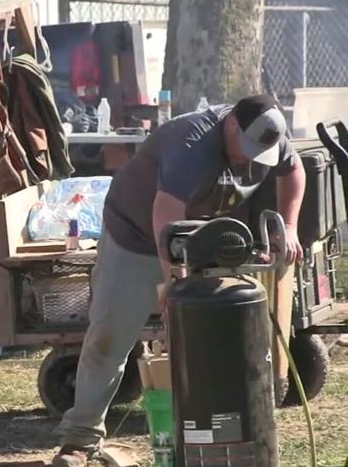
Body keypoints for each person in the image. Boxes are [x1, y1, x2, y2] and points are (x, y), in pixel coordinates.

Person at [50, 94, 306, 466]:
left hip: (205, 236)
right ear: (231, 123)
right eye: (246, 148)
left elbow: (293, 171)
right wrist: (175, 286)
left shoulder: (270, 134)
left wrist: (291, 227)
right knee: (109, 337)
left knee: (215, 340)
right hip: (137, 235)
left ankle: (225, 431)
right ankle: (79, 440)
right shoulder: (190, 142)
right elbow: (166, 217)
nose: (251, 159)